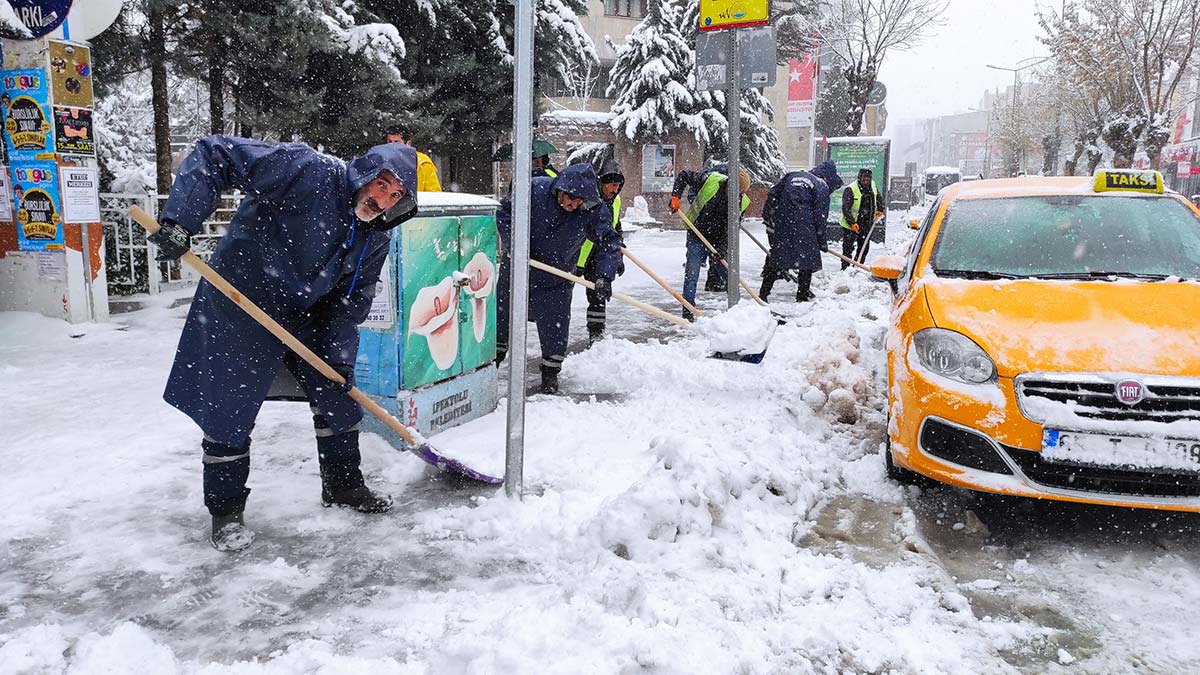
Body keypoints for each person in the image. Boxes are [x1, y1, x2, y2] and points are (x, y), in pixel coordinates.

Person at [149, 135, 419, 552]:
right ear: (364, 173)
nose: (382, 200)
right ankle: (226, 513)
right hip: (241, 300)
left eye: (395, 195)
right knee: (229, 408)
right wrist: (180, 222)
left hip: (305, 312)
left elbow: (351, 300)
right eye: (381, 184)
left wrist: (338, 357)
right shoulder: (307, 171)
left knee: (337, 392)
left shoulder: (375, 235)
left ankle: (344, 486)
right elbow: (216, 153)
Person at [496, 164, 621, 394]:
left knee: (555, 327)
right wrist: (515, 243)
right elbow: (504, 213)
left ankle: (550, 373)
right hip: (517, 269)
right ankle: (492, 364)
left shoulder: (592, 209)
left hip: (557, 275)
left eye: (579, 202)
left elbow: (609, 242)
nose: (573, 205)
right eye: (570, 199)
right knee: (501, 318)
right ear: (560, 190)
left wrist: (605, 276)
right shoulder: (535, 190)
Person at [668, 167, 750, 320]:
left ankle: (738, 312)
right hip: (696, 233)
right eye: (739, 192)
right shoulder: (711, 180)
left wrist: (721, 250)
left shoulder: (741, 202)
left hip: (717, 241)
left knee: (728, 276)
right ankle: (688, 312)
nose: (740, 195)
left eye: (742, 193)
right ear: (730, 185)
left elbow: (731, 231)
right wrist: (675, 197)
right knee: (692, 274)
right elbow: (684, 175)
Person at [759, 161, 843, 303]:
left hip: (784, 222)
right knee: (806, 261)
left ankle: (763, 294)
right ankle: (802, 295)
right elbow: (820, 218)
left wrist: (769, 216)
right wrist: (822, 241)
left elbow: (773, 194)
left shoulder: (792, 175)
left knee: (778, 258)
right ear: (829, 179)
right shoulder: (821, 186)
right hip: (805, 225)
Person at [575, 158, 626, 343]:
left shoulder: (616, 201)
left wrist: (618, 255)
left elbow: (616, 228)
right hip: (575, 255)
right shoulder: (588, 199)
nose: (614, 189)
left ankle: (596, 332)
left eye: (617, 186)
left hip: (600, 256)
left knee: (598, 293)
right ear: (601, 182)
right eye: (611, 185)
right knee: (560, 295)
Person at [840, 168, 882, 268]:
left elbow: (879, 197)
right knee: (848, 248)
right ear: (859, 178)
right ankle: (845, 268)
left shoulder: (873, 186)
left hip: (866, 223)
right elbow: (846, 208)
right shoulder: (850, 189)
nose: (866, 181)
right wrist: (852, 223)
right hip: (851, 225)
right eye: (864, 179)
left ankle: (858, 266)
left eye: (868, 179)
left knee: (864, 248)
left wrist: (881, 208)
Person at [385, 123, 441, 191]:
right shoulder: (382, 161)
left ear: (408, 144)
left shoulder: (422, 163)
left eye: (397, 142)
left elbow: (433, 194)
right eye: (389, 142)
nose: (392, 146)